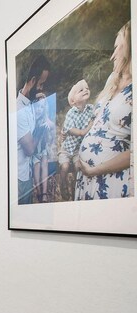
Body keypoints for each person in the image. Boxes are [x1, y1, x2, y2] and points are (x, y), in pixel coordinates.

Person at [75, 21, 133, 200]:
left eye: (118, 48)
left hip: (111, 180)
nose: (112, 56)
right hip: (86, 177)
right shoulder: (112, 79)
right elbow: (98, 124)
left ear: (132, 48)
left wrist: (93, 170)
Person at [17, 55, 51, 204]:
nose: (41, 88)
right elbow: (30, 149)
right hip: (20, 179)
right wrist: (42, 126)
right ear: (32, 81)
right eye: (41, 84)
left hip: (27, 175)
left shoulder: (29, 105)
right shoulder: (18, 109)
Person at [59, 80, 95, 201]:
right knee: (64, 166)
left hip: (77, 150)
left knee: (77, 167)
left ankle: (75, 190)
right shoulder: (71, 113)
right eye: (81, 90)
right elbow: (80, 132)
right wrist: (89, 126)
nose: (86, 90)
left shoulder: (91, 109)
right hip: (66, 149)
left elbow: (98, 117)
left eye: (87, 88)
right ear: (73, 101)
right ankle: (62, 184)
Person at [32, 92, 57, 202]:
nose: (39, 110)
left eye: (41, 108)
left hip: (42, 150)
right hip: (33, 152)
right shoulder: (32, 120)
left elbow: (52, 127)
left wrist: (49, 126)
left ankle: (44, 192)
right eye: (37, 107)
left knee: (45, 163)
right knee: (36, 167)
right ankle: (38, 189)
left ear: (44, 109)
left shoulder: (45, 119)